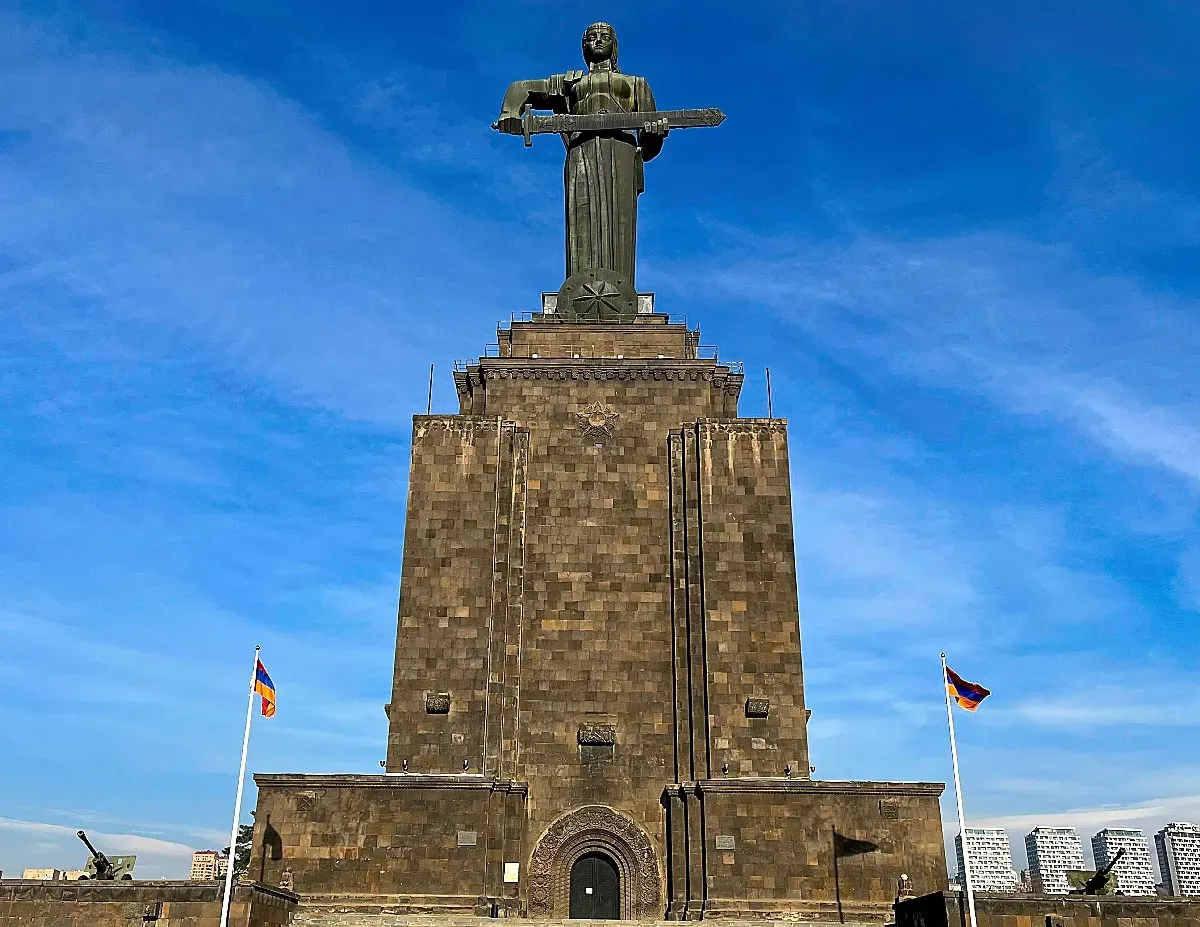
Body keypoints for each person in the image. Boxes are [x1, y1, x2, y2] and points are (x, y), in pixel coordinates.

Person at [496, 23, 668, 286]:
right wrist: (509, 114)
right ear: (583, 45)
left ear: (614, 44)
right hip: (581, 151)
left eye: (605, 37)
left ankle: (620, 289)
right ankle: (579, 288)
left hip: (621, 152)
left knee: (619, 224)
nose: (597, 41)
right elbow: (520, 89)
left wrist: (655, 134)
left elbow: (648, 147)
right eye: (591, 37)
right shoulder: (570, 82)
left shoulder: (636, 84)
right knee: (582, 218)